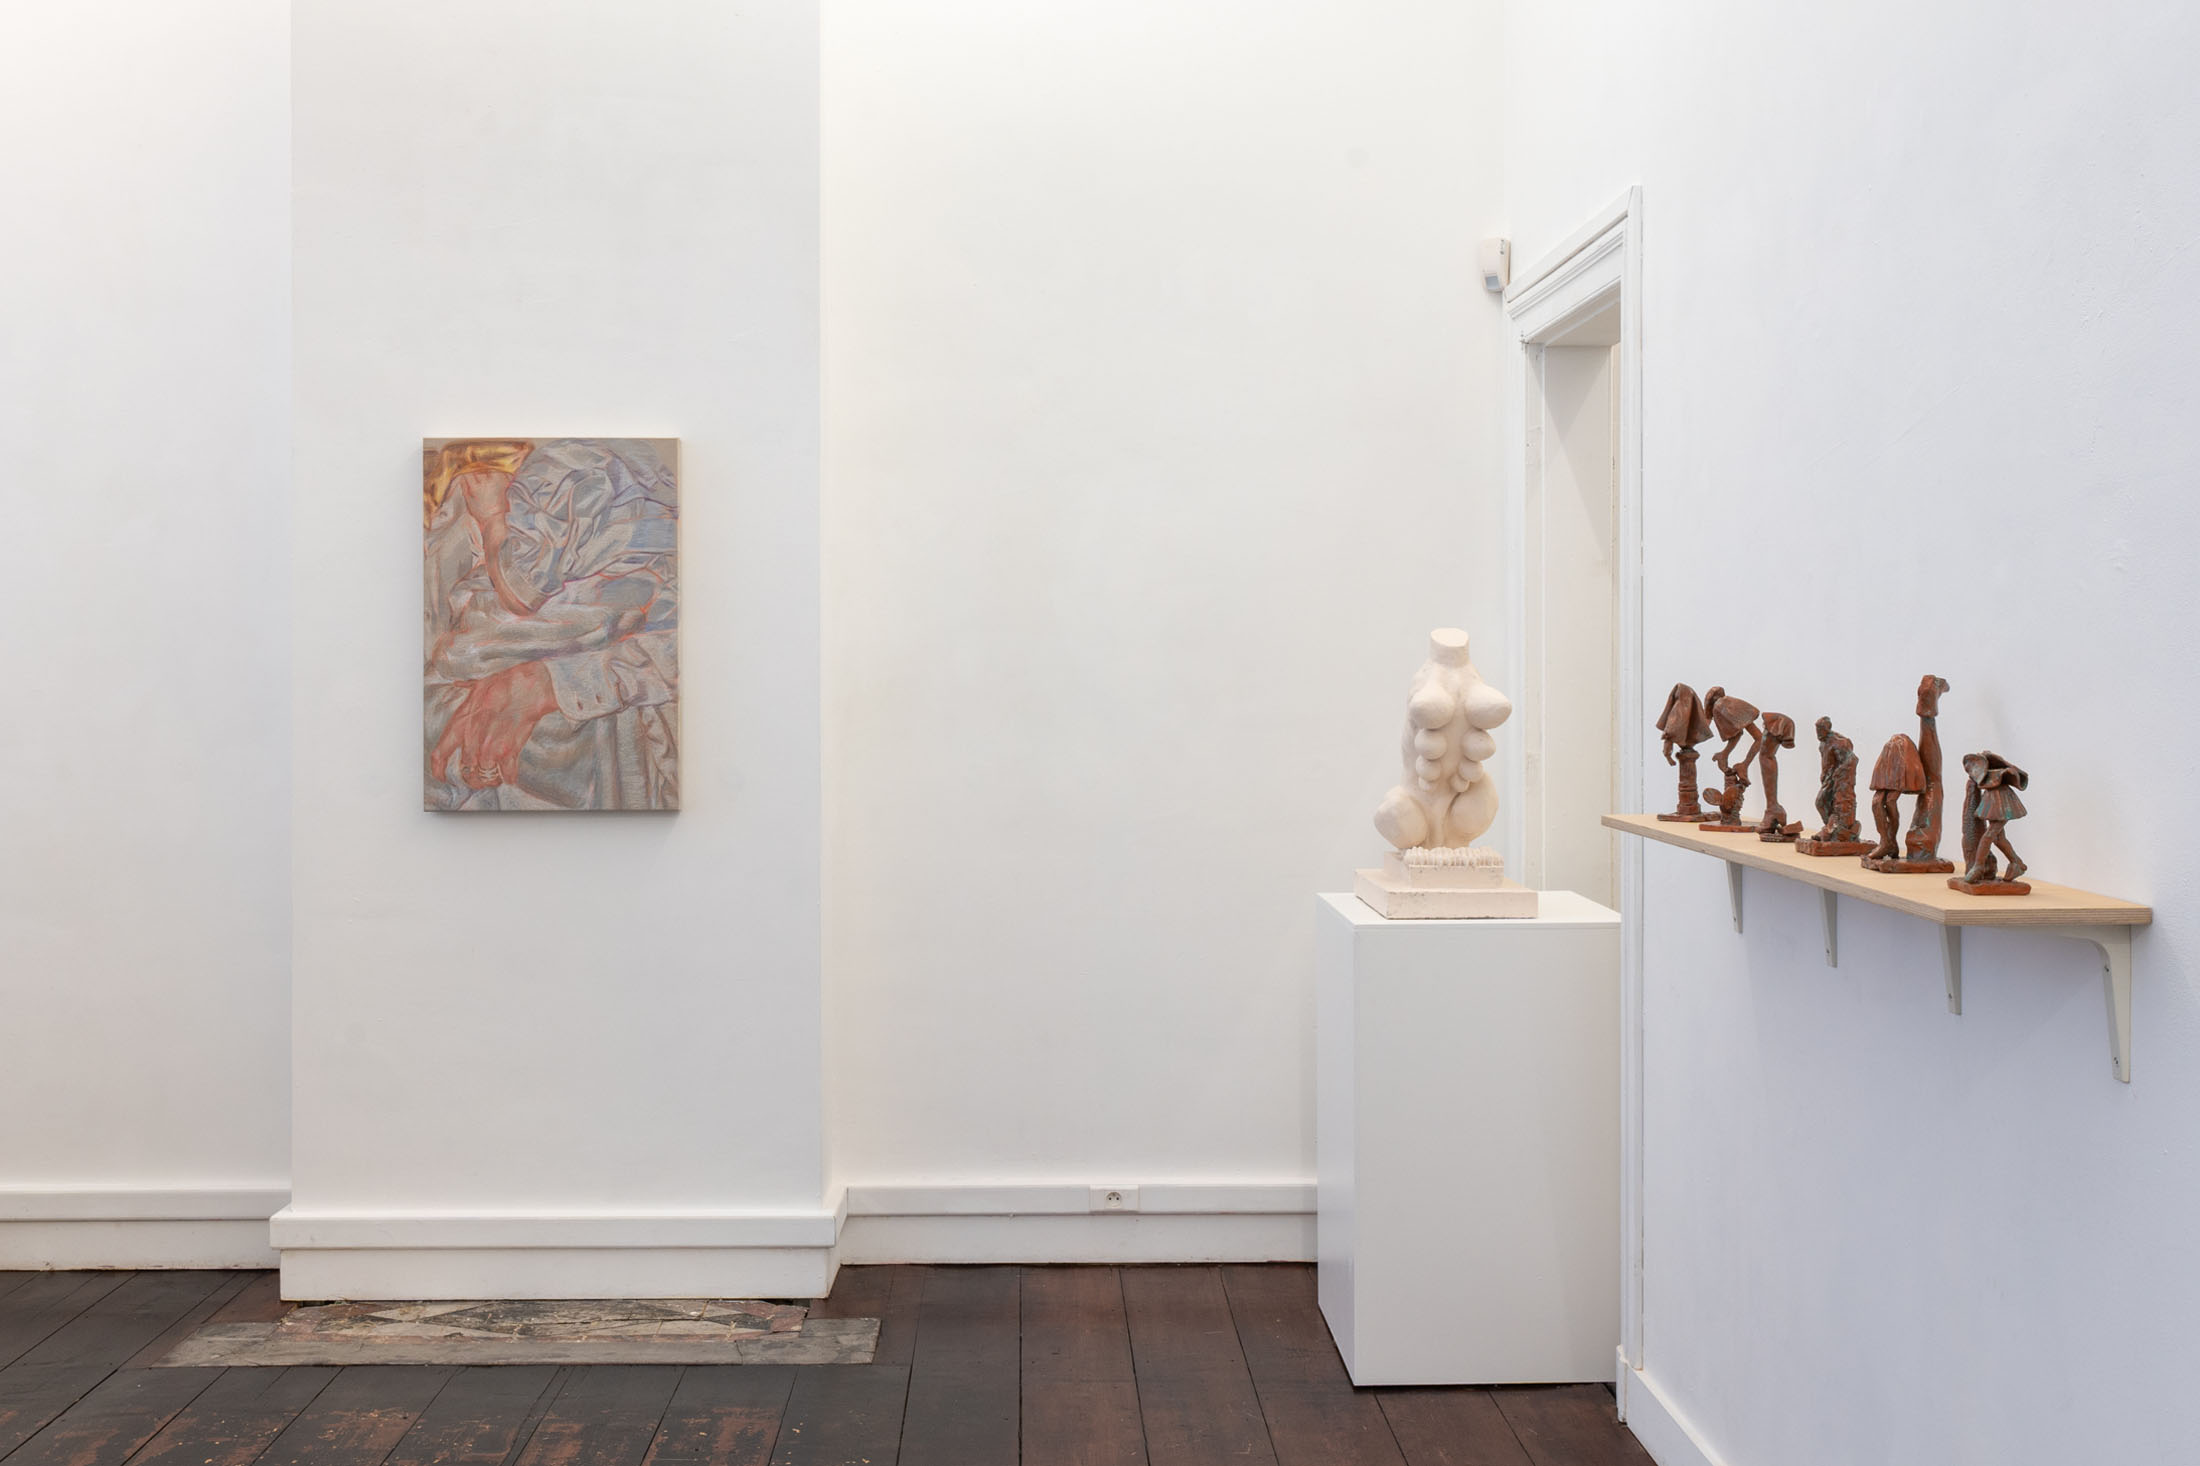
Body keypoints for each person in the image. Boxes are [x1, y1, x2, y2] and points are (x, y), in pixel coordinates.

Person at [423, 438, 679, 811]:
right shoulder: (630, 488)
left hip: (603, 694)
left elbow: (519, 592)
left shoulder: (553, 485)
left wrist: (492, 518)